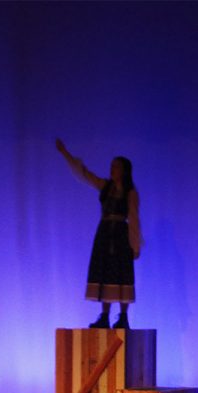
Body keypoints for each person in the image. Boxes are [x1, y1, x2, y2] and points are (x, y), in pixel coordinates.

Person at [56, 139, 142, 328]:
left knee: (121, 273)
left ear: (124, 170)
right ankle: (104, 315)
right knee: (105, 272)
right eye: (112, 166)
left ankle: (123, 317)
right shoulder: (105, 186)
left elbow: (134, 218)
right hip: (104, 233)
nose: (112, 170)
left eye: (116, 167)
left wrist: (135, 244)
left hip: (120, 235)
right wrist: (65, 153)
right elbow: (84, 174)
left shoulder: (130, 193)